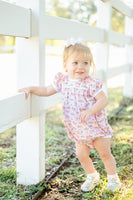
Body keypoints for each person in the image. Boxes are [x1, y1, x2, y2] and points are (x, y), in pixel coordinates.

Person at [18, 39, 121, 192]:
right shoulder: (63, 82)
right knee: (81, 154)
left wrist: (90, 111)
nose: (81, 67)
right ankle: (92, 175)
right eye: (76, 63)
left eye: (86, 63)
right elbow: (46, 91)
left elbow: (103, 100)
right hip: (79, 128)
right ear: (65, 65)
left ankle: (113, 179)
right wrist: (31, 89)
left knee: (105, 153)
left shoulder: (90, 84)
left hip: (96, 126)